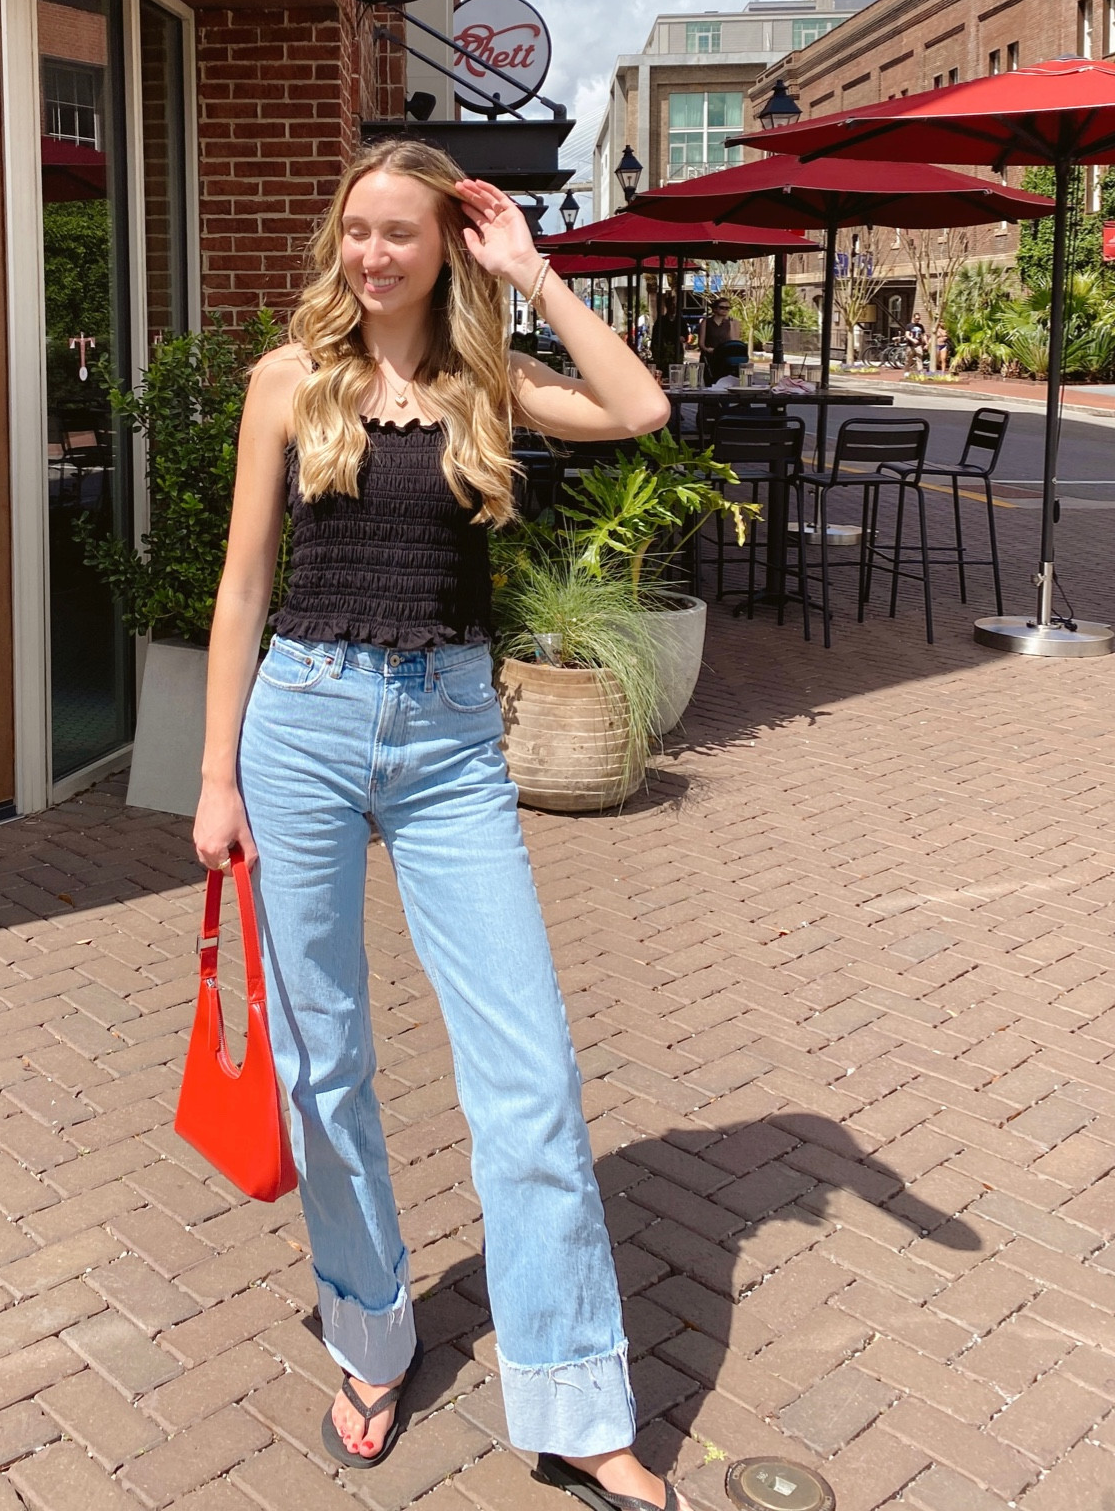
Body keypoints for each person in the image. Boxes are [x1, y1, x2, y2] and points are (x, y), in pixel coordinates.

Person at [196, 140, 689, 1511]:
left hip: (448, 739)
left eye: (398, 232)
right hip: (297, 722)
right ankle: (367, 1333)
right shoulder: (288, 383)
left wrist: (533, 269)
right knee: (321, 1063)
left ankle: (577, 1406)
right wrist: (215, 778)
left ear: (442, 245)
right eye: (354, 229)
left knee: (526, 1077)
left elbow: (640, 405)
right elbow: (240, 592)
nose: (370, 254)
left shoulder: (490, 385)